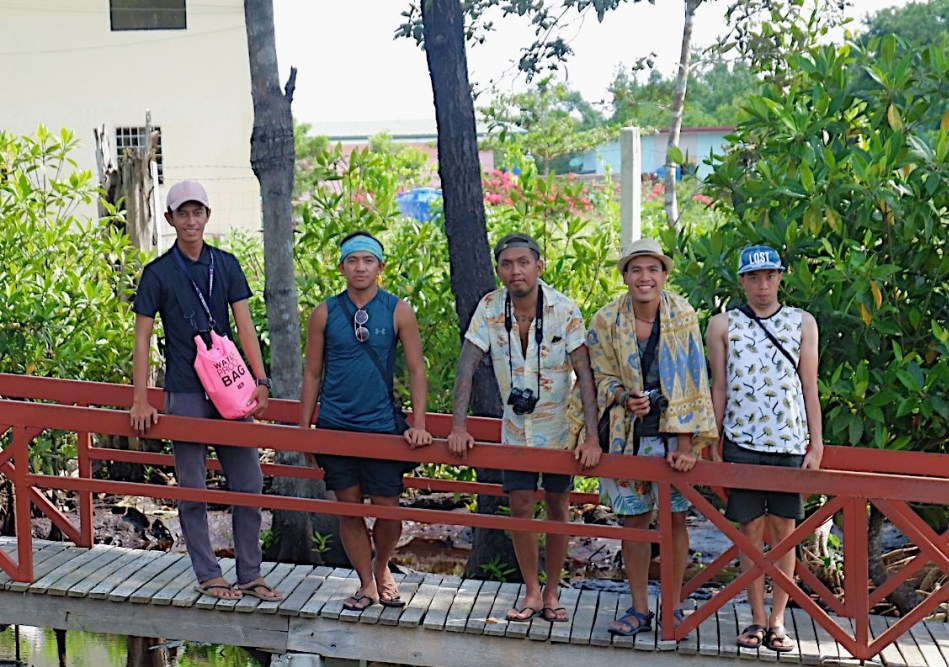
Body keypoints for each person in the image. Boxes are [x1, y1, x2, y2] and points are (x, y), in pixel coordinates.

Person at [129, 180, 281, 602]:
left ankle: (251, 573)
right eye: (183, 213)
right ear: (170, 219)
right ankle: (209, 574)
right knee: (192, 487)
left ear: (207, 217)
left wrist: (261, 380)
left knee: (248, 482)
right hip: (185, 389)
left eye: (198, 213)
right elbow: (142, 338)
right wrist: (141, 398)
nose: (191, 221)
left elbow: (245, 326)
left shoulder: (226, 264)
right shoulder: (158, 273)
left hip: (231, 388)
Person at [447, 232, 602, 622]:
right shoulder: (489, 308)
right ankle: (531, 591)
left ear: (539, 266)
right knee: (519, 506)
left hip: (558, 430)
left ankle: (553, 593)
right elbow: (466, 365)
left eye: (523, 262)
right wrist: (459, 426)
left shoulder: (565, 311)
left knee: (557, 505)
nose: (515, 271)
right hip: (516, 429)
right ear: (499, 269)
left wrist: (592, 438)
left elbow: (585, 375)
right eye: (507, 264)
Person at [587, 238, 717, 637]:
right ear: (625, 276)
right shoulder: (606, 320)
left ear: (663, 275)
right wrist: (625, 398)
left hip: (672, 433)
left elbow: (696, 377)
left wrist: (684, 442)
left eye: (653, 269)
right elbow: (597, 377)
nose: (645, 278)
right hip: (629, 432)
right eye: (636, 270)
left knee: (675, 518)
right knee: (635, 520)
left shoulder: (683, 316)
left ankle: (674, 605)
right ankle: (640, 606)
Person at [299, 230, 433, 612]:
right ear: (342, 266)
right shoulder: (324, 312)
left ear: (380, 267)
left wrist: (419, 422)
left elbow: (415, 369)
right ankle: (366, 584)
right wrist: (305, 430)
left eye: (368, 260)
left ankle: (382, 565)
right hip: (336, 424)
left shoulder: (398, 310)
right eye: (353, 260)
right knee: (349, 507)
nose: (360, 267)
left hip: (381, 426)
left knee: (389, 508)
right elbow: (312, 374)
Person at [706, 244, 824, 653]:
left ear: (780, 277)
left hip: (788, 440)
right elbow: (719, 387)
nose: (762, 285)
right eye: (753, 278)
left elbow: (809, 384)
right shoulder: (723, 325)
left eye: (769, 276)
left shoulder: (801, 322)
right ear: (742, 281)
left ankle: (779, 619)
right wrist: (713, 439)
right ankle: (756, 618)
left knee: (785, 534)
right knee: (749, 533)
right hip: (742, 440)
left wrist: (816, 442)